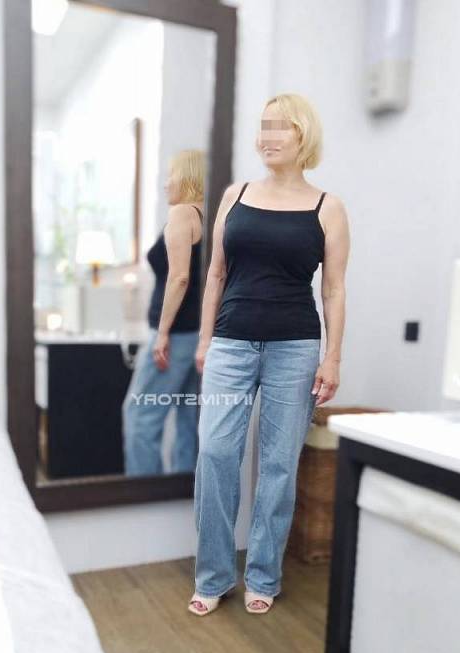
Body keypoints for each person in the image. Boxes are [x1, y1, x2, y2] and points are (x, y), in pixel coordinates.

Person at [188, 93, 350, 615]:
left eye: (280, 127)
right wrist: (206, 340)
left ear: (304, 135)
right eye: (263, 127)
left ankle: (263, 574)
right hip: (231, 342)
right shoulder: (235, 196)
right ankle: (213, 577)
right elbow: (215, 274)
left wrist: (332, 358)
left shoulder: (328, 207)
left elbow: (334, 290)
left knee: (278, 465)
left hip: (295, 348)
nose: (268, 137)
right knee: (216, 455)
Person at [123, 150, 205, 475]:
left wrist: (163, 332)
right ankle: (182, 493)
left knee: (140, 416)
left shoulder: (182, 213)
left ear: (187, 176)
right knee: (188, 419)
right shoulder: (205, 216)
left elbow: (179, 277)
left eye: (172, 174)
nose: (166, 183)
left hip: (176, 337)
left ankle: (143, 495)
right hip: (195, 335)